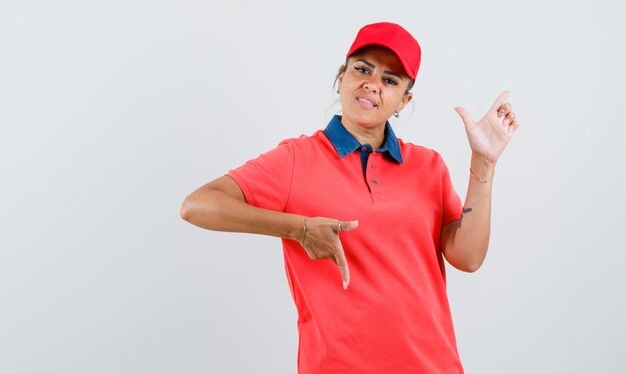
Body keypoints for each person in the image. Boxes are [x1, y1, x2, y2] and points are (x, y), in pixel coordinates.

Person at [180, 22, 519, 374]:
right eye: (362, 69)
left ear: (404, 100)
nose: (372, 84)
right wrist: (298, 228)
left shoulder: (428, 166)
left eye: (390, 80)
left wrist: (484, 163)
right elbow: (198, 205)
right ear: (341, 76)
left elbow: (467, 257)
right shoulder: (297, 158)